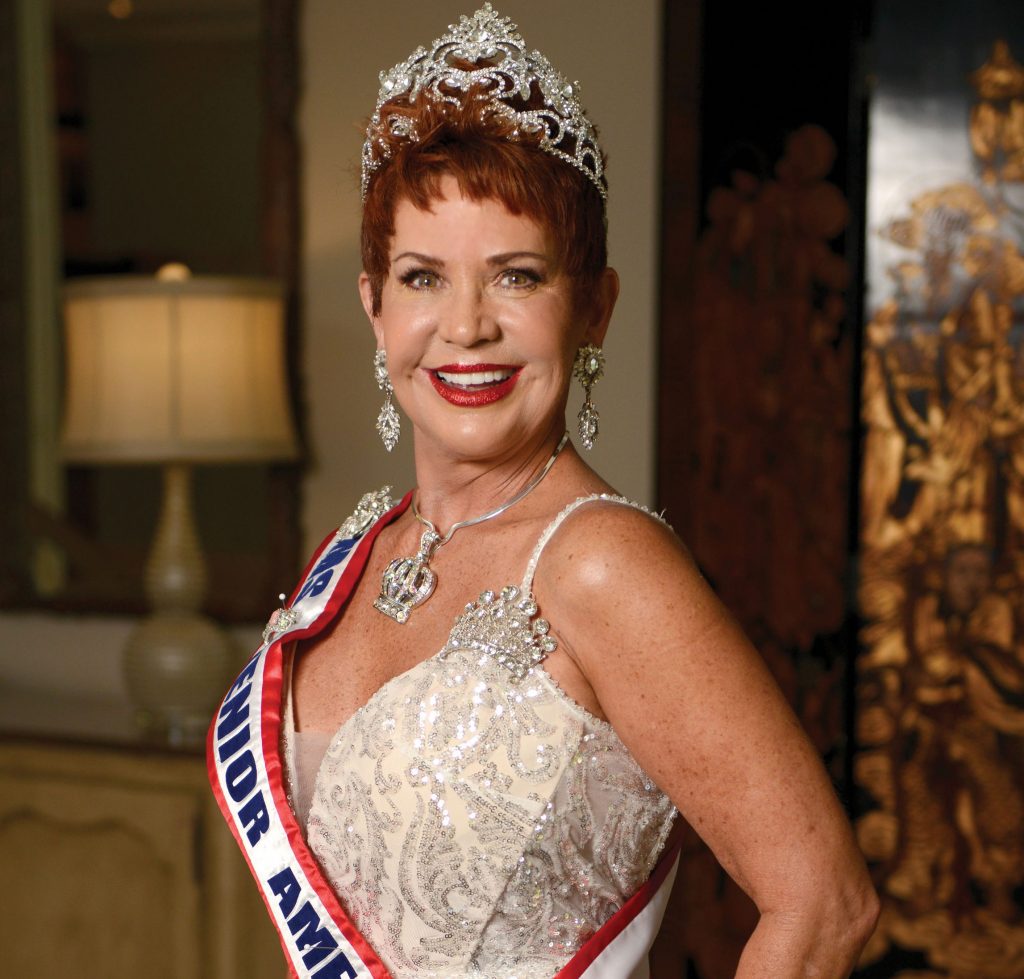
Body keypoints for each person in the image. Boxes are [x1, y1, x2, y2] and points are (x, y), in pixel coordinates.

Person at [209, 5, 879, 978]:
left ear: (592, 306)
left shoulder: (601, 563)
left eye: (516, 277)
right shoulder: (356, 547)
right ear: (374, 305)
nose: (466, 326)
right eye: (422, 277)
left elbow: (825, 907)